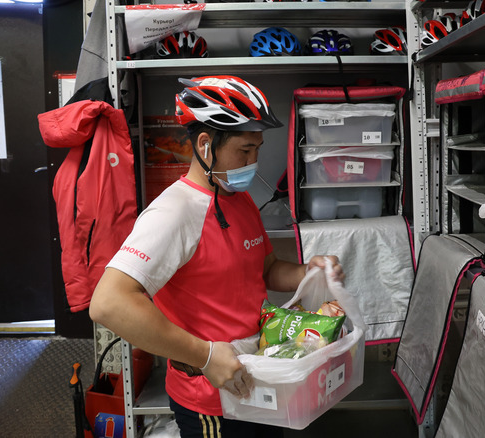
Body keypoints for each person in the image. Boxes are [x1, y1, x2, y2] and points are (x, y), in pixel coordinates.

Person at [90, 75, 345, 438]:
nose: (254, 160)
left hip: (257, 381)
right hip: (212, 402)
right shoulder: (173, 213)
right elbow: (108, 303)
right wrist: (205, 356)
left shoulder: (237, 199)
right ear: (206, 145)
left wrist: (309, 271)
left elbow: (266, 270)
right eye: (244, 150)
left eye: (257, 147)